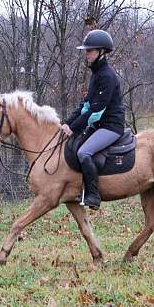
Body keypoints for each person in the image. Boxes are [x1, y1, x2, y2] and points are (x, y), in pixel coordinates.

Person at [61, 29, 126, 210]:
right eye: (86, 50)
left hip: (111, 126)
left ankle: (93, 195)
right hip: (99, 125)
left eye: (89, 50)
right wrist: (67, 123)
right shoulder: (96, 74)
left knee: (84, 153)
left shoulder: (107, 76)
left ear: (101, 52)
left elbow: (96, 112)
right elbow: (86, 106)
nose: (86, 53)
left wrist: (74, 128)